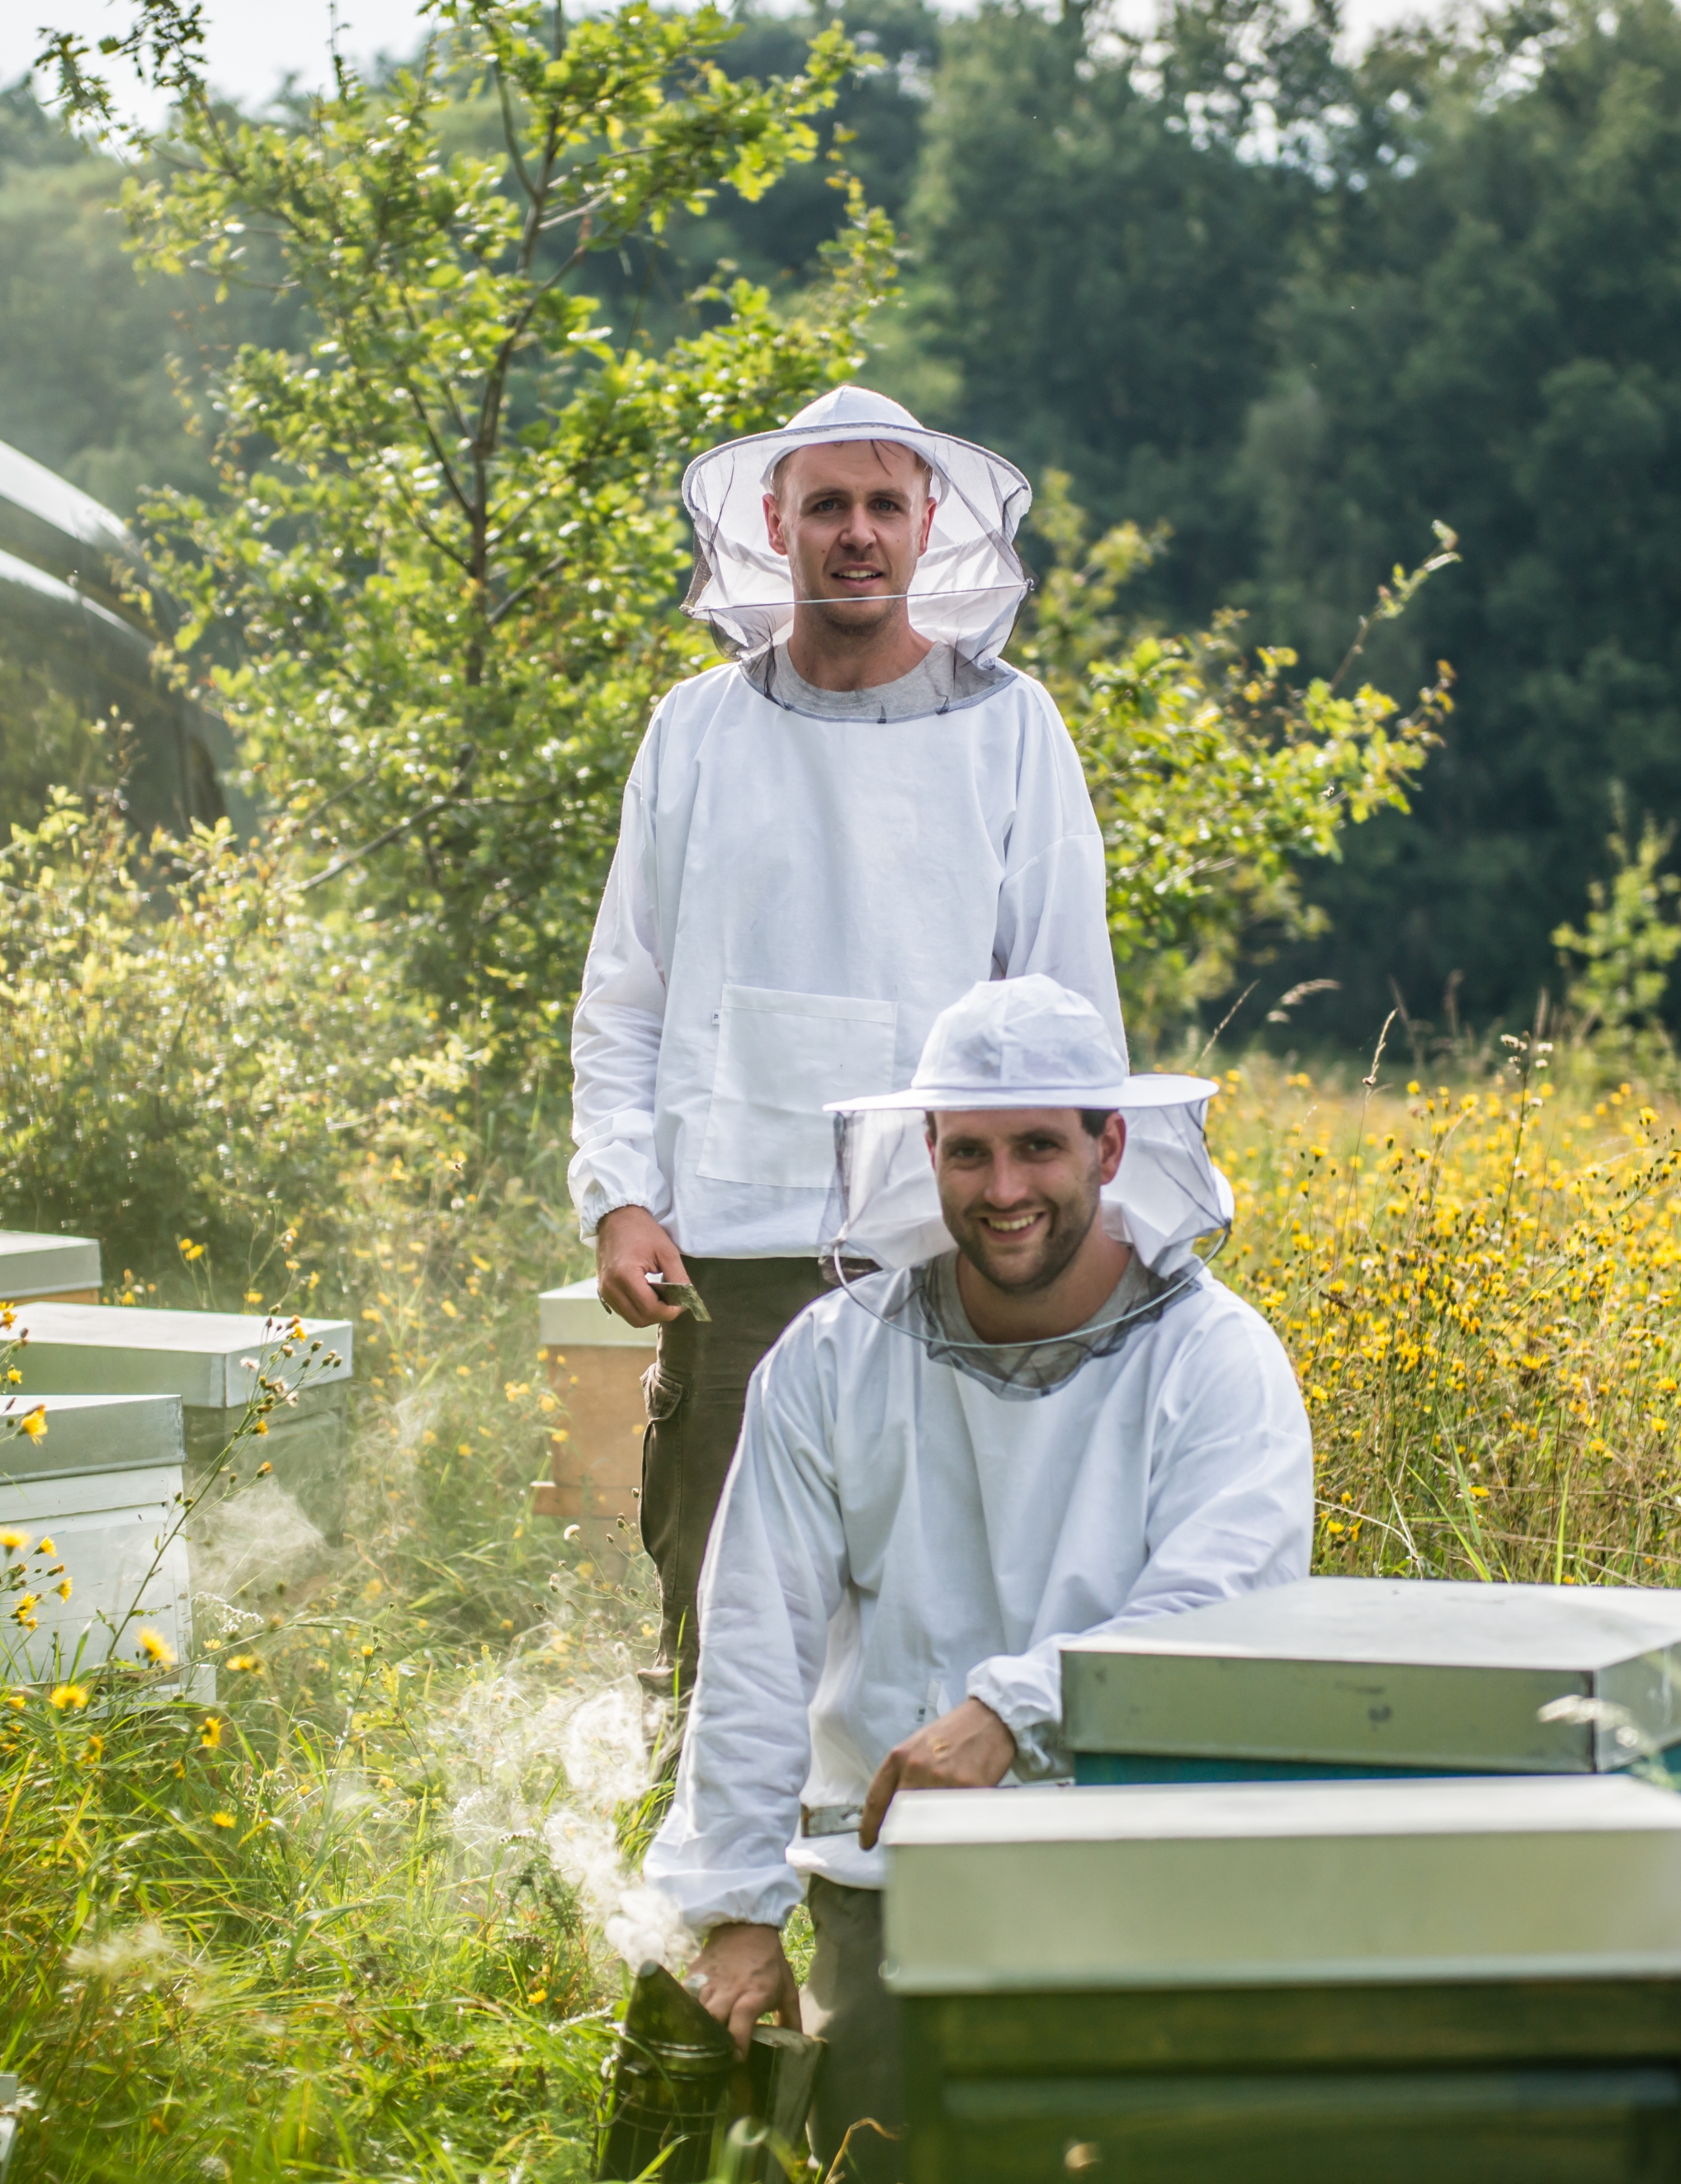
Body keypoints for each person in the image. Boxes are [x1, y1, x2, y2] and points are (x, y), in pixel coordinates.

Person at [639, 977, 1315, 2181]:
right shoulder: (833, 1361)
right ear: (927, 1153)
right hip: (891, 1888)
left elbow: (1226, 1605)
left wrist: (1011, 1711)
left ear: (1110, 1143)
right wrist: (739, 1913)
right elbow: (754, 1637)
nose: (1003, 1190)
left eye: (1039, 1146)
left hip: (1139, 1877)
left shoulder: (1217, 1361)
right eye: (970, 1153)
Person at [569, 385, 1121, 1675]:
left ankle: (906, 1886)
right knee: (727, 1651)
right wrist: (620, 1198)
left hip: (951, 1269)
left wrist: (1074, 1258)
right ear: (776, 524)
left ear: (931, 524)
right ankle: (711, 1883)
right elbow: (625, 997)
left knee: (942, 1647)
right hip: (733, 1272)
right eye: (828, 505)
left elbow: (1066, 1015)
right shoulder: (694, 730)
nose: (857, 532)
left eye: (884, 505)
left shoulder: (1014, 728)